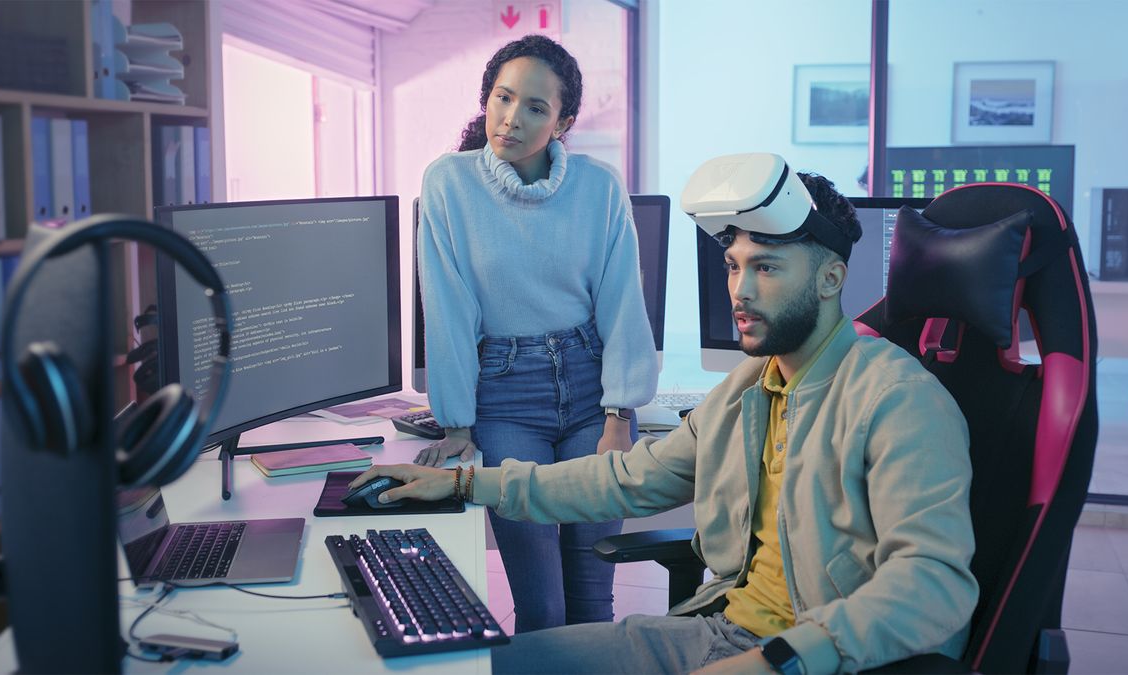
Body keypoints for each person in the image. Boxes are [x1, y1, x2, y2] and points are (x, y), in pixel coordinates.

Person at [358, 161, 976, 673]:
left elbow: (933, 583)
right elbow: (623, 478)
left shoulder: (897, 400)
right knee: (468, 666)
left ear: (830, 279)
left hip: (813, 660)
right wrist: (467, 483)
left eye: (767, 268)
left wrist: (780, 660)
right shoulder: (748, 390)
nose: (741, 290)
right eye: (735, 265)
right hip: (717, 635)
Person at [412, 33, 658, 633]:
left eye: (535, 108)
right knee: (543, 609)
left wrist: (618, 417)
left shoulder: (598, 187)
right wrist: (456, 424)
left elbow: (623, 301)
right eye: (502, 98)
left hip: (588, 386)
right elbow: (447, 311)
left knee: (593, 602)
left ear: (563, 121)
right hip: (505, 394)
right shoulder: (449, 183)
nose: (511, 119)